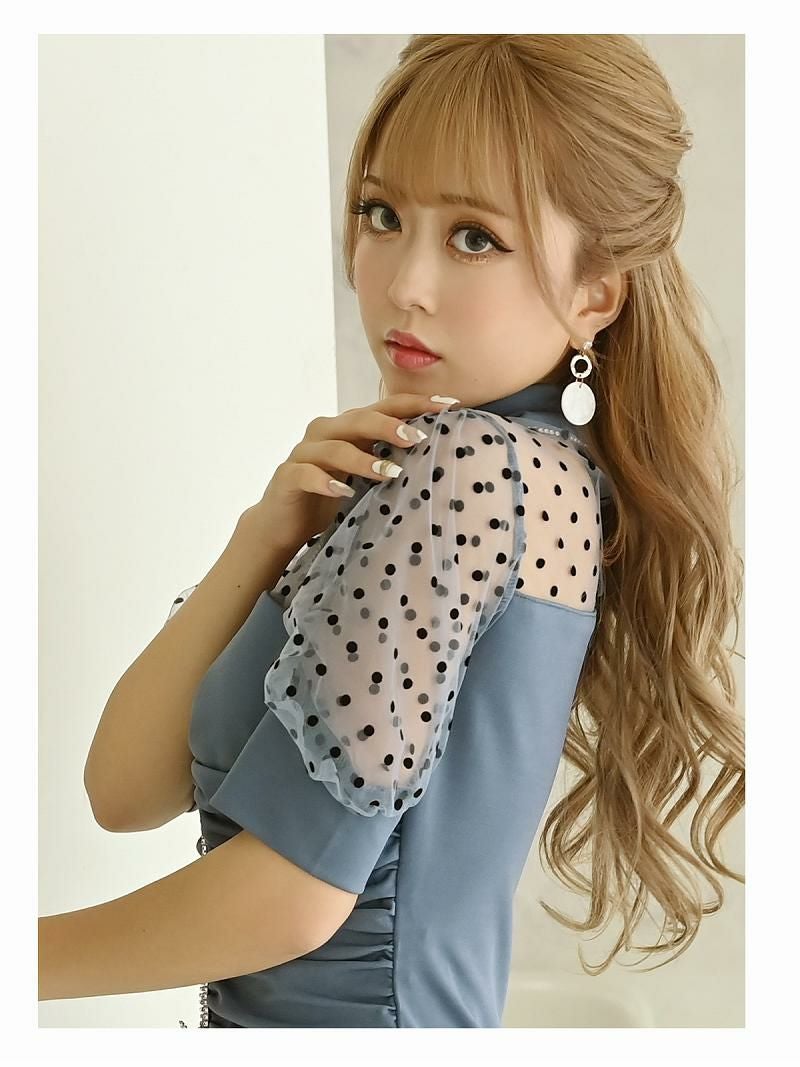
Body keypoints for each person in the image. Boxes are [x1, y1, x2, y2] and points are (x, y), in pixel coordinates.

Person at [45, 35, 744, 1028]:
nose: (404, 282)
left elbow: (290, 899)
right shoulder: (538, 477)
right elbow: (122, 790)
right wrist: (261, 537)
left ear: (596, 292)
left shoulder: (468, 471)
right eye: (382, 214)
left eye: (474, 238)